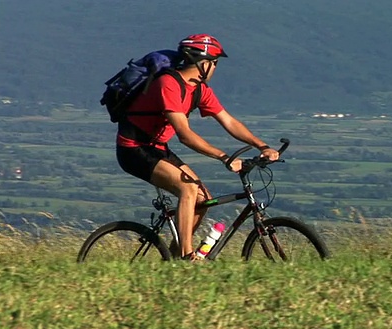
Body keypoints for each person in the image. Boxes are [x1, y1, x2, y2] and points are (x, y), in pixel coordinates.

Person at [115, 34, 279, 261]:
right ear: (204, 63)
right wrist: (224, 157)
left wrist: (262, 145)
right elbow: (185, 135)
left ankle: (171, 264)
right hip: (133, 149)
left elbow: (228, 121)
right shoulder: (168, 84)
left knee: (202, 200)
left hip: (157, 147)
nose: (216, 68)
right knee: (188, 190)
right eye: (215, 63)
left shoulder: (199, 89)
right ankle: (186, 256)